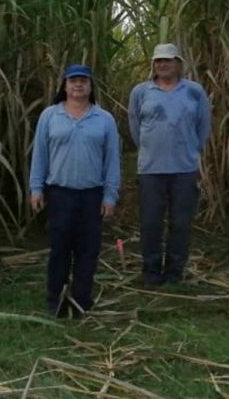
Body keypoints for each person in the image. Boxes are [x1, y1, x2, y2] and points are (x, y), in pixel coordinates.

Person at [29, 65, 120, 318]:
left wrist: (110, 195)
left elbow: (112, 160)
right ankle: (55, 299)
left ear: (91, 86)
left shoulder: (104, 119)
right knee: (59, 249)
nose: (78, 85)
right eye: (73, 81)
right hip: (59, 194)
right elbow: (40, 155)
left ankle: (81, 300)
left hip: (91, 195)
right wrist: (36, 188)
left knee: (87, 250)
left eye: (83, 81)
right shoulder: (50, 116)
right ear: (65, 86)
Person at [128, 43, 212, 286]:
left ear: (178, 63)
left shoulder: (194, 91)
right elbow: (135, 127)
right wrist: (149, 148)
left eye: (168, 60)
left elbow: (203, 126)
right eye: (158, 61)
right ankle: (151, 271)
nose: (162, 65)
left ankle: (175, 271)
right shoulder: (141, 92)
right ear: (153, 65)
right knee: (151, 221)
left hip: (184, 169)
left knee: (181, 222)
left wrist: (190, 150)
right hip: (151, 170)